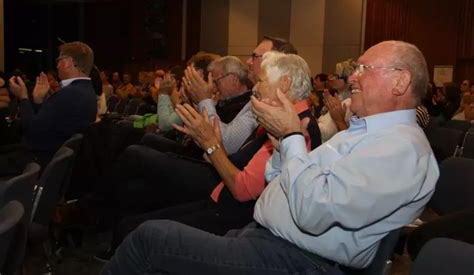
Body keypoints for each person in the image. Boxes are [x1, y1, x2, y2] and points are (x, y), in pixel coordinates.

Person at [102, 41, 439, 274]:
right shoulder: (367, 133)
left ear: (400, 81)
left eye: (364, 68)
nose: (352, 76)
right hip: (266, 237)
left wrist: (291, 137)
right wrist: (282, 144)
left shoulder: (402, 148)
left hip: (298, 260)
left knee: (149, 238)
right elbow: (279, 180)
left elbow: (313, 212)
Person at [96, 52, 321, 262]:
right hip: (221, 197)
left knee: (134, 227)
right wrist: (209, 146)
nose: (255, 88)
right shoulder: (284, 119)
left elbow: (241, 189)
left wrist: (211, 145)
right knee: (134, 197)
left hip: (233, 216)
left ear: (285, 84)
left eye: (261, 81)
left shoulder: (296, 128)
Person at [184, 36, 297, 155]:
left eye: (255, 56)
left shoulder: (270, 102)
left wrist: (204, 99)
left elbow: (226, 144)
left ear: (277, 61)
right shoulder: (256, 96)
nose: (248, 61)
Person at [5, 41, 97, 173]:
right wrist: (38, 101)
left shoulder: (68, 94)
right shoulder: (87, 92)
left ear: (68, 62)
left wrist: (23, 97)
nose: (57, 65)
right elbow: (44, 125)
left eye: (59, 60)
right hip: (50, 160)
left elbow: (31, 131)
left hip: (36, 163)